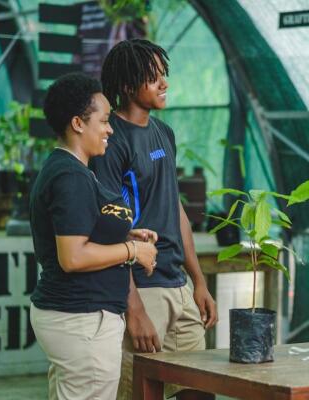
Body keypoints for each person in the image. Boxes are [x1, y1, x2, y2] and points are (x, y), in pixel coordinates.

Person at [91, 39, 218, 400]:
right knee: (142, 393)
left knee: (199, 392)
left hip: (179, 287)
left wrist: (199, 282)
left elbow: (174, 208)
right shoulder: (109, 143)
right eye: (153, 77)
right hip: (142, 289)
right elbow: (107, 230)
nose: (164, 83)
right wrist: (134, 309)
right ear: (128, 85)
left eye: (164, 75)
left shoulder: (164, 132)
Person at [29, 72, 158, 400]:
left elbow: (82, 226)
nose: (110, 129)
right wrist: (132, 250)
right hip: (82, 320)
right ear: (77, 123)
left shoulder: (71, 169)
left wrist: (122, 229)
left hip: (79, 319)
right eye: (103, 121)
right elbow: (72, 257)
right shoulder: (70, 176)